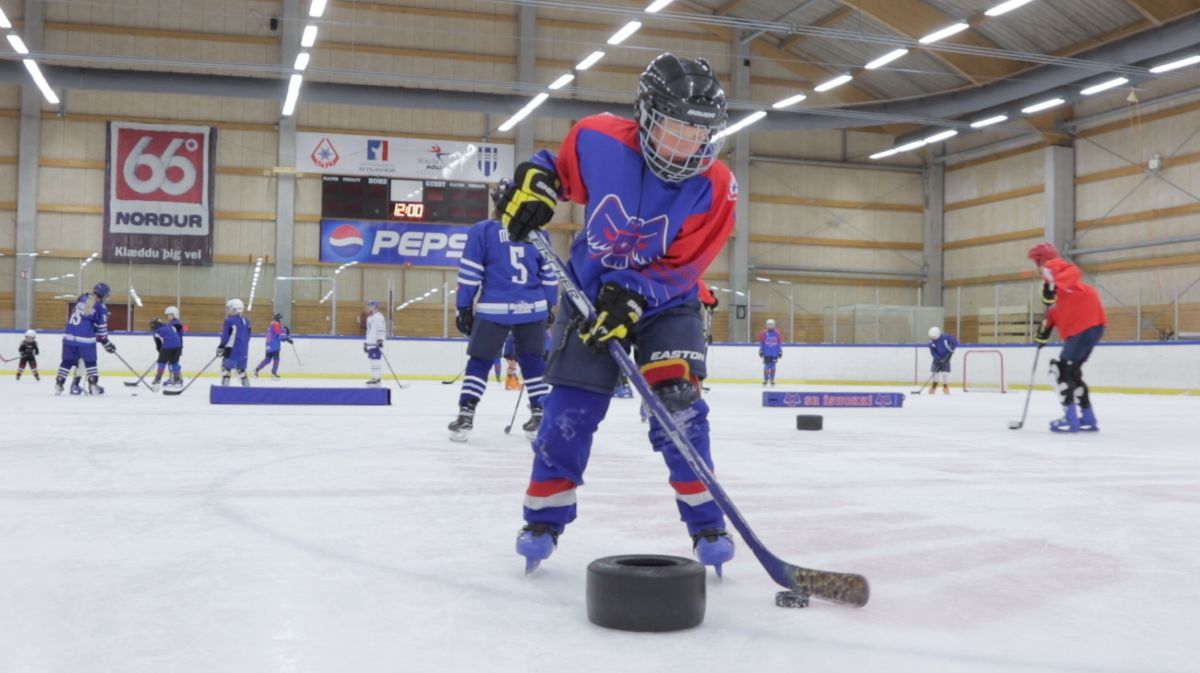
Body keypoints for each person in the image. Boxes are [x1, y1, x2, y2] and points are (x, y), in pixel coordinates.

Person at [495, 53, 737, 575]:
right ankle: (543, 521)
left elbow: (688, 265)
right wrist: (535, 182)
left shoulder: (717, 186)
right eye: (675, 129)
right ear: (646, 117)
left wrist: (635, 293)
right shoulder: (597, 139)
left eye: (698, 133)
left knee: (678, 406)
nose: (687, 145)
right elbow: (556, 172)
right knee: (570, 411)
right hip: (589, 296)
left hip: (667, 302)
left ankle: (707, 523)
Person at [448, 185, 558, 441]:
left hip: (494, 308)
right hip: (533, 308)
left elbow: (470, 273)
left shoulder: (482, 230)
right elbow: (550, 274)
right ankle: (540, 413)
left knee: (480, 361)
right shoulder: (539, 232)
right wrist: (549, 305)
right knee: (533, 361)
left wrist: (464, 307)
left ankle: (466, 414)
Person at [1030, 242, 1107, 432]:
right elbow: (1052, 313)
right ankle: (1088, 417)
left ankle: (1070, 417)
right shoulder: (1065, 294)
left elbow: (1071, 270)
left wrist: (1052, 283)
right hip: (1095, 324)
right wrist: (1043, 335)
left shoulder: (1052, 267)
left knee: (1059, 372)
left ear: (1040, 259)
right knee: (1072, 372)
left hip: (1082, 325)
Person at [55, 284, 116, 396]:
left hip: (68, 337)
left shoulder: (82, 298)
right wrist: (106, 343)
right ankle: (93, 385)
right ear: (104, 295)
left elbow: (84, 319)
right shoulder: (101, 307)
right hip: (85, 340)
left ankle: (59, 384)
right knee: (90, 362)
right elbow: (102, 330)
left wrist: (93, 328)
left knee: (66, 362)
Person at [217, 298, 251, 387]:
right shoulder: (247, 321)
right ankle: (248, 389)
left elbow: (225, 337)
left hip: (231, 351)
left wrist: (221, 347)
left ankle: (225, 389)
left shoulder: (229, 321)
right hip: (244, 351)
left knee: (226, 369)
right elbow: (248, 336)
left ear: (235, 309)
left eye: (229, 308)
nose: (227, 310)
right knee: (241, 371)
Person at [148, 317, 182, 391]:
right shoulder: (170, 326)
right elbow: (175, 334)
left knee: (162, 362)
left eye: (153, 324)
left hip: (167, 346)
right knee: (174, 362)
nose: (152, 326)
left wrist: (161, 352)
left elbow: (158, 345)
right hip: (178, 346)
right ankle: (177, 379)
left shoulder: (156, 332)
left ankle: (158, 379)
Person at [254, 313, 292, 380]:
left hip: (269, 345)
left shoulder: (271, 325)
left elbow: (277, 335)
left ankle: (257, 369)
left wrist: (284, 337)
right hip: (274, 346)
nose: (281, 320)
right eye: (280, 319)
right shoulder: (276, 324)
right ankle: (273, 373)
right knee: (276, 359)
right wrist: (287, 338)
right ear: (278, 318)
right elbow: (280, 333)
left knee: (267, 360)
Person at [927, 327, 958, 394]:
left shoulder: (946, 337)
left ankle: (945, 386)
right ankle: (934, 386)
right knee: (935, 373)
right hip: (937, 359)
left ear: (938, 334)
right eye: (932, 337)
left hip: (946, 357)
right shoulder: (931, 342)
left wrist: (950, 352)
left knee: (945, 373)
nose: (933, 338)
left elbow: (955, 343)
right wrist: (937, 358)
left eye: (935, 337)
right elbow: (933, 352)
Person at [363, 300, 386, 386]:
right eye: (368, 306)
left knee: (375, 360)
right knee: (372, 361)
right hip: (370, 343)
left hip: (375, 343)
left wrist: (380, 340)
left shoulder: (379, 317)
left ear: (375, 307)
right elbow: (369, 331)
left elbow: (381, 328)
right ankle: (374, 377)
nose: (368, 307)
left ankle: (377, 378)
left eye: (370, 306)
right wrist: (366, 343)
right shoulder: (369, 318)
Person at [758, 318, 782, 386]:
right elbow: (762, 343)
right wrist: (761, 350)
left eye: (771, 324)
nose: (770, 326)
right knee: (766, 367)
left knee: (773, 367)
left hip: (774, 353)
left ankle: (772, 379)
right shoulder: (763, 333)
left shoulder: (777, 334)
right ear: (766, 325)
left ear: (774, 325)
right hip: (766, 353)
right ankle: (766, 380)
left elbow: (779, 343)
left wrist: (780, 351)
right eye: (769, 324)